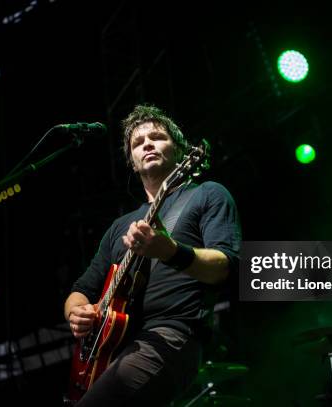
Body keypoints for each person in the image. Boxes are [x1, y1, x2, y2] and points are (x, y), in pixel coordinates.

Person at [63, 104, 241, 407]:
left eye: (158, 137)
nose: (147, 143)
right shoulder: (119, 227)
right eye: (137, 142)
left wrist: (170, 251)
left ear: (181, 150)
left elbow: (225, 267)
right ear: (132, 163)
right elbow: (81, 291)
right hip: (114, 350)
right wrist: (76, 313)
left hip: (172, 335)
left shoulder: (206, 194)